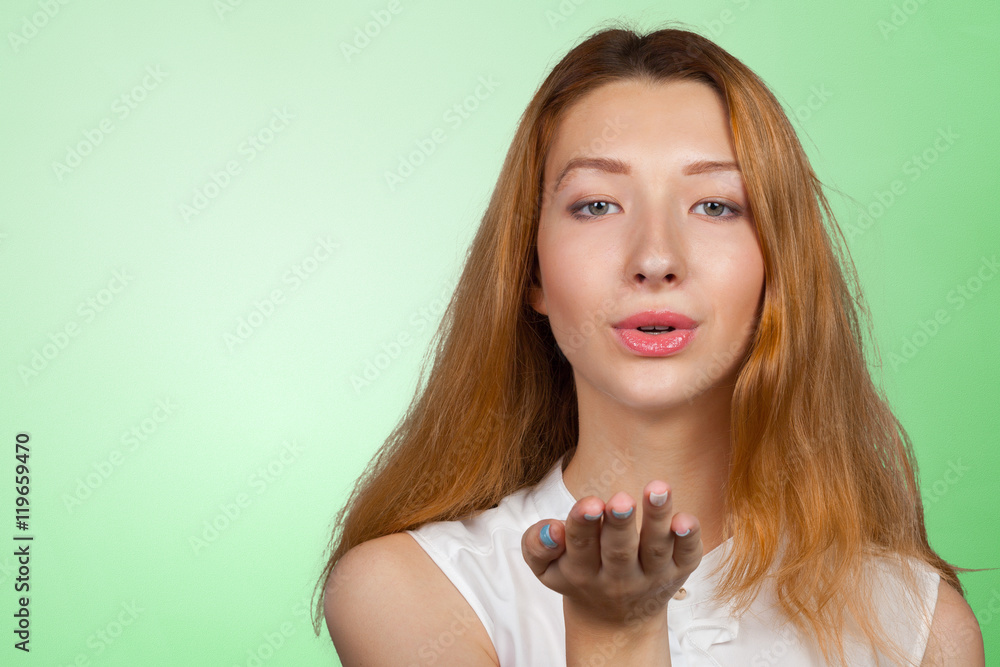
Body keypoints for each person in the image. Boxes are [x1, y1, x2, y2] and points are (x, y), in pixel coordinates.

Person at [313, 21, 986, 666]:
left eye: (716, 205)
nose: (656, 257)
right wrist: (615, 630)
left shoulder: (920, 627)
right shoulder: (407, 588)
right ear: (531, 271)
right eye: (598, 204)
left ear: (777, 269)